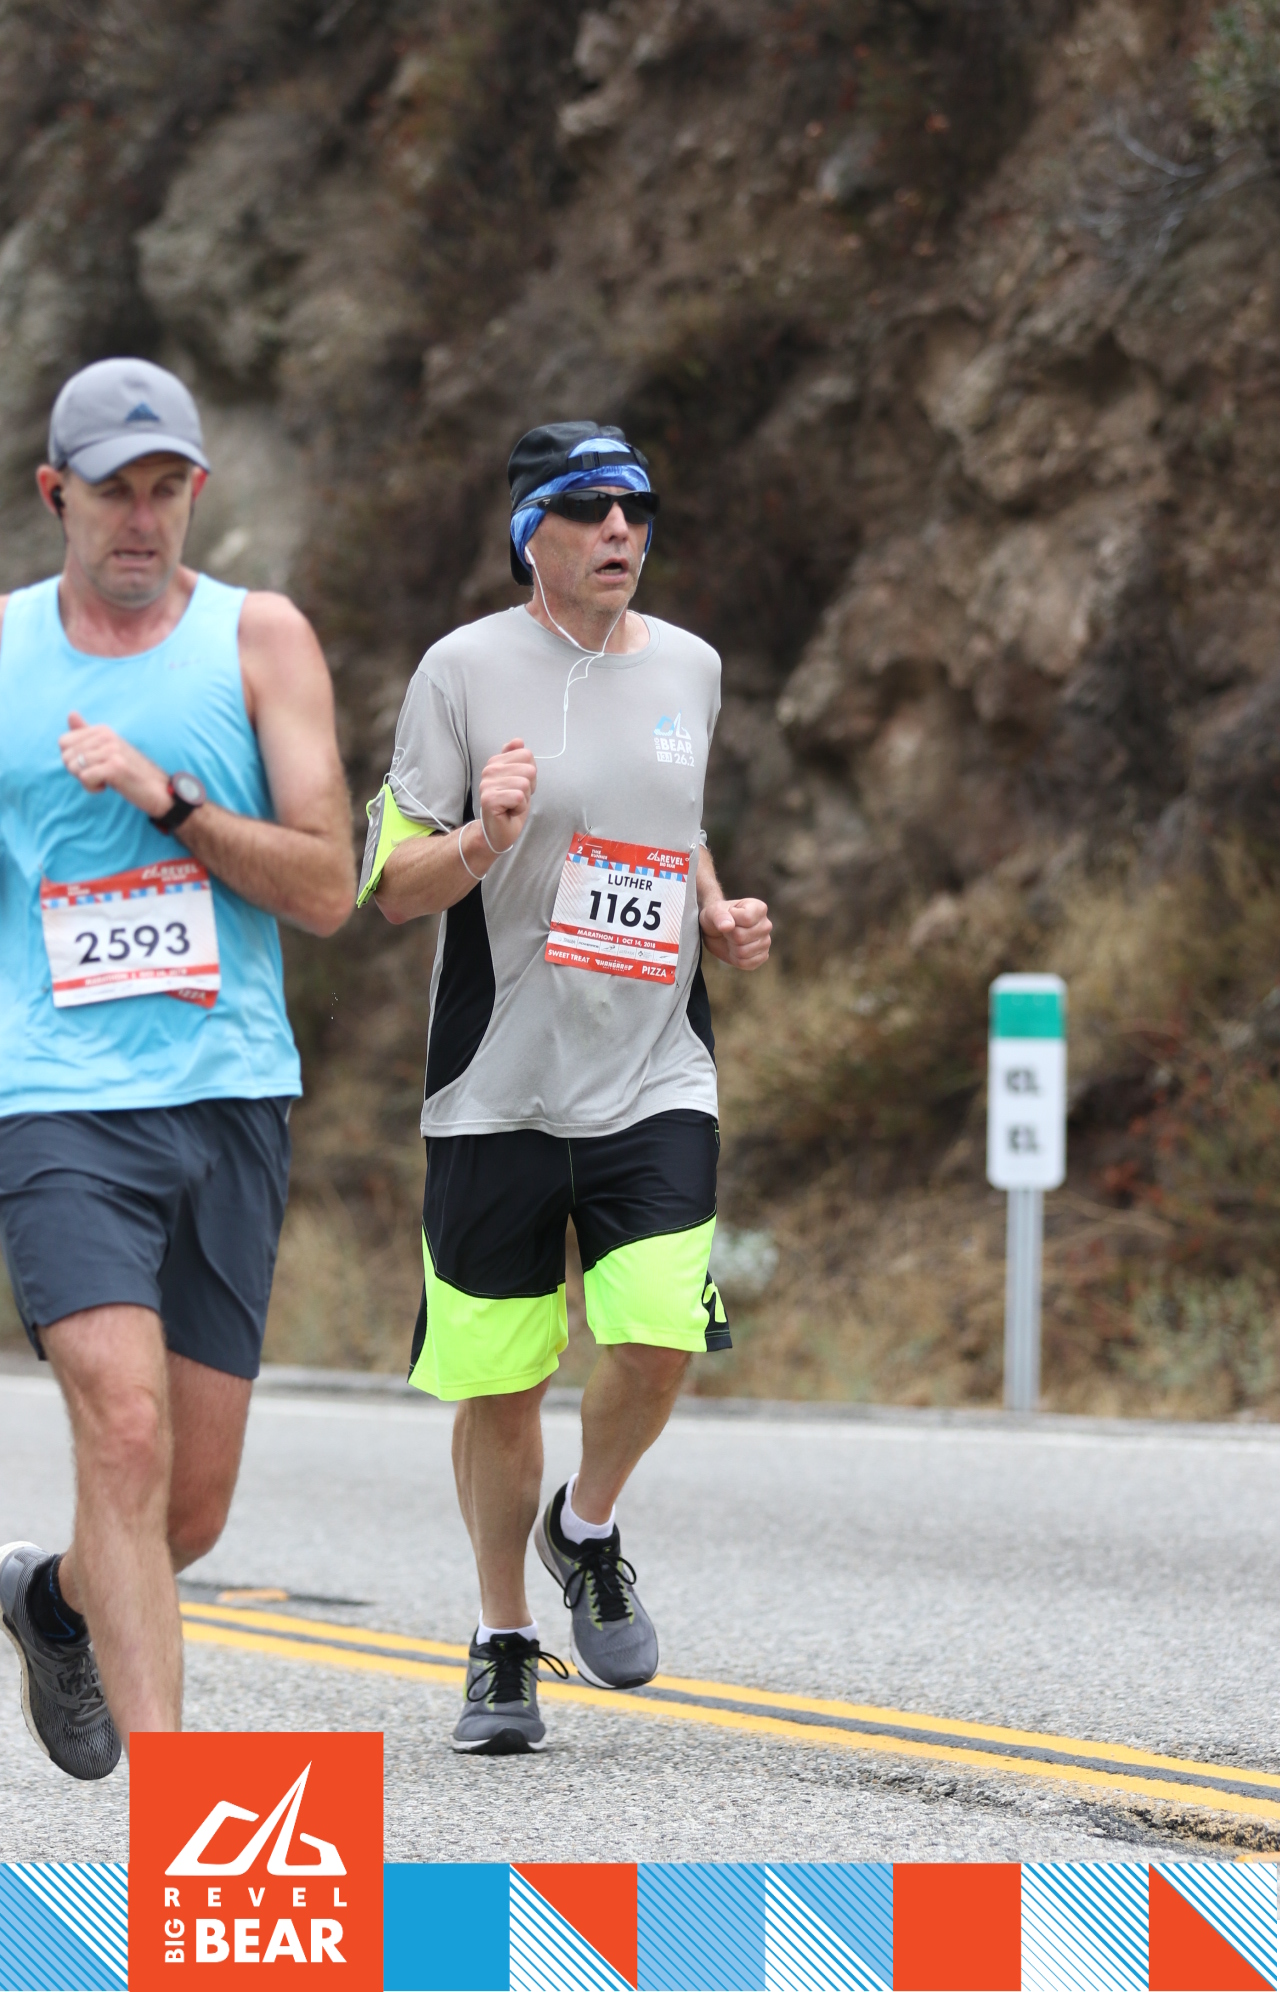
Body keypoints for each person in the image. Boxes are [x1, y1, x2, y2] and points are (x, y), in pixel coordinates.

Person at [362, 419, 771, 1754]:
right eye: (589, 508)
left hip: (656, 1068)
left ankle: (585, 1526)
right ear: (529, 532)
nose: (620, 530)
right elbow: (392, 886)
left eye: (636, 507)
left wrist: (715, 914)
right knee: (499, 1382)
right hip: (498, 1084)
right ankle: (502, 1641)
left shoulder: (693, 668)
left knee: (659, 1334)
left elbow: (674, 826)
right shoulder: (461, 671)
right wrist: (484, 836)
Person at [0, 358, 355, 1778]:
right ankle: (177, 1831)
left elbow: (326, 888)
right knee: (125, 1433)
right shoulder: (4, 652)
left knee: (180, 1513)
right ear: (57, 495)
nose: (141, 520)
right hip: (56, 1102)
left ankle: (53, 1601)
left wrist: (173, 801)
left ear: (197, 491)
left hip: (227, 1096)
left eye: (166, 490)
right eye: (114, 493)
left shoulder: (259, 640)